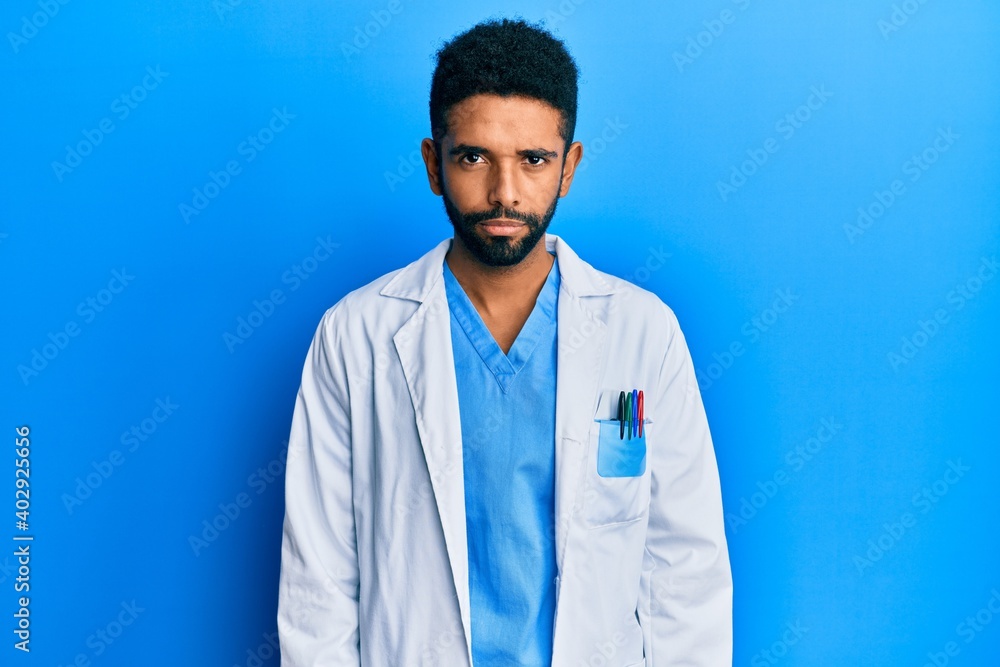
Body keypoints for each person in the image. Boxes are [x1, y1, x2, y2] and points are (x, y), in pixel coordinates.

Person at [277, 17, 731, 667]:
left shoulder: (640, 334)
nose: (504, 192)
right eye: (473, 157)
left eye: (534, 160)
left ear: (569, 166)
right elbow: (317, 585)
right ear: (434, 163)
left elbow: (685, 570)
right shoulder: (355, 336)